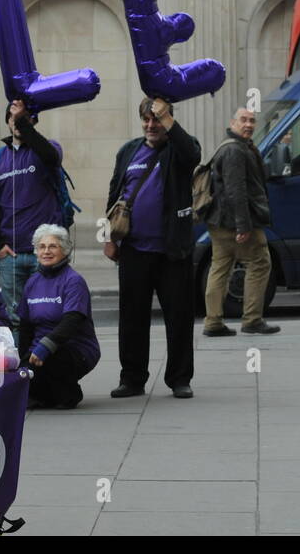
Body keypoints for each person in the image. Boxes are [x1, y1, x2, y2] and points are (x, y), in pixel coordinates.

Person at [104, 98, 201, 399]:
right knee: (132, 317)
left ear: (168, 120)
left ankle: (179, 378)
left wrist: (168, 118)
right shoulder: (128, 151)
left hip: (173, 250)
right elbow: (115, 192)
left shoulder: (180, 149)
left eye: (156, 119)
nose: (150, 125)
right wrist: (109, 238)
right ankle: (132, 379)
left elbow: (193, 154)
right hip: (134, 249)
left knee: (179, 316)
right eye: (146, 119)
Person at [0, 99, 66, 309]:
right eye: (14, 118)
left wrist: (24, 124)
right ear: (7, 121)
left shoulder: (47, 149)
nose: (18, 122)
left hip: (44, 253)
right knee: (15, 317)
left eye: (24, 118)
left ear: (33, 121)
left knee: (47, 312)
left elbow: (51, 157)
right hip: (11, 255)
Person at [203, 107, 280, 336]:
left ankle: (213, 322)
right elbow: (236, 190)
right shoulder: (235, 150)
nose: (248, 125)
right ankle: (252, 319)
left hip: (219, 223)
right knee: (260, 263)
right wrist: (243, 226)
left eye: (252, 121)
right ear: (233, 122)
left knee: (219, 268)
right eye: (244, 120)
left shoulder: (233, 146)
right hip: (236, 221)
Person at [18, 224, 99, 410]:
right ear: (36, 251)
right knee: (22, 381)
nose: (46, 251)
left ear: (65, 250)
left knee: (52, 364)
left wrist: (45, 347)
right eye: (42, 247)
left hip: (73, 349)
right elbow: (25, 325)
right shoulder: (32, 282)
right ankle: (46, 393)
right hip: (37, 350)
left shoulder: (73, 281)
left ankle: (70, 394)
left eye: (53, 246)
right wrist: (22, 359)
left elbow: (72, 321)